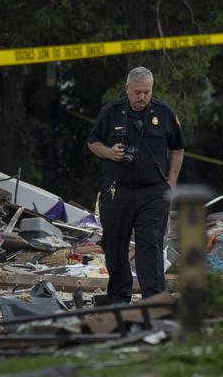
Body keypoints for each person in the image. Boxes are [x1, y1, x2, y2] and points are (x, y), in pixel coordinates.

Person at [87, 66, 185, 302]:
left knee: (149, 245)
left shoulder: (164, 113)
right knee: (114, 244)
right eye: (137, 92)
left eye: (147, 92)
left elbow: (178, 148)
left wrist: (172, 182)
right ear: (127, 89)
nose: (142, 97)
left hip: (153, 192)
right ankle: (119, 297)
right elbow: (93, 143)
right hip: (117, 190)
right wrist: (109, 152)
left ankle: (153, 300)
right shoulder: (111, 112)